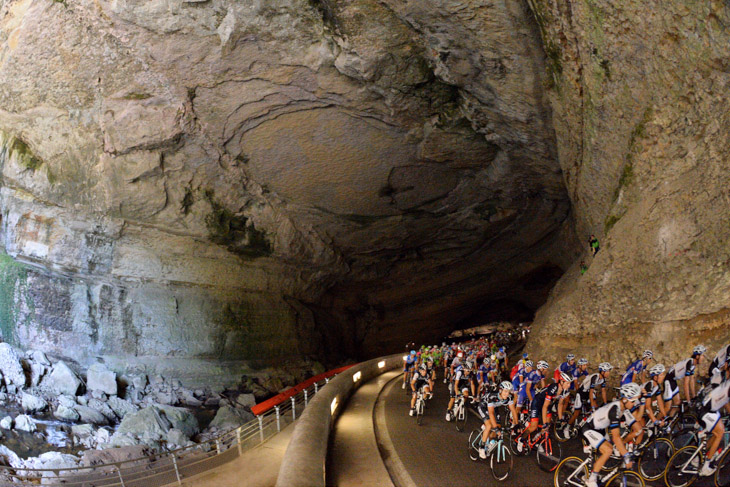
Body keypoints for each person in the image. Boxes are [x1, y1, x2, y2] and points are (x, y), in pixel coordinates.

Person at [581, 383, 642, 487]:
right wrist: (626, 455)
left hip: (600, 430)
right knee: (608, 450)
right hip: (589, 428)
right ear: (625, 400)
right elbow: (616, 436)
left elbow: (638, 428)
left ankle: (591, 472)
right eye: (633, 401)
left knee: (609, 450)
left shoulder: (624, 410)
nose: (634, 403)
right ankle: (591, 479)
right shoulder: (615, 410)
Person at [515, 372, 573, 453]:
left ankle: (535, 442)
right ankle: (521, 439)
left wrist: (561, 419)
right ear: (562, 382)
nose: (569, 385)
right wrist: (544, 422)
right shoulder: (553, 388)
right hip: (537, 403)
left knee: (546, 428)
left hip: (547, 404)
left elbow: (560, 404)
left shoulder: (565, 391)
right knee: (534, 427)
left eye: (570, 383)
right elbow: (544, 407)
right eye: (567, 383)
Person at [696, 379, 730, 476]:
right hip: (707, 411)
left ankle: (697, 459)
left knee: (716, 433)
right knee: (720, 432)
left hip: (707, 409)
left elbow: (725, 401)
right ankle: (706, 466)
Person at [477, 381, 518, 459]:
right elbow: (491, 413)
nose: (507, 394)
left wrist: (516, 424)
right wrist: (495, 428)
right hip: (483, 406)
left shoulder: (509, 398)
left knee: (498, 427)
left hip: (494, 407)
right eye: (505, 391)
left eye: (509, 392)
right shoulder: (492, 397)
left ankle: (489, 442)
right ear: (500, 390)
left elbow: (513, 410)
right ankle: (481, 447)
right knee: (489, 426)